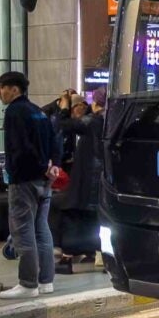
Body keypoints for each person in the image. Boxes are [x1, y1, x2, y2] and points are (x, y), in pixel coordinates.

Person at [0, 71, 62, 299]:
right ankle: (46, 281)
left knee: (23, 231)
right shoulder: (38, 112)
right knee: (41, 230)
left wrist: (41, 164)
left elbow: (21, 147)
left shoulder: (15, 112)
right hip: (44, 181)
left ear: (14, 89)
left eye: (1, 87)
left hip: (24, 180)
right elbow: (56, 139)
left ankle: (28, 283)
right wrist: (54, 165)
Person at [51, 88, 105, 273]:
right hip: (101, 180)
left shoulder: (93, 121)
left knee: (70, 214)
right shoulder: (111, 121)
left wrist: (64, 107)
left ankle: (67, 258)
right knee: (96, 218)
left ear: (95, 104)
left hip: (88, 180)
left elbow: (63, 124)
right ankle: (100, 253)